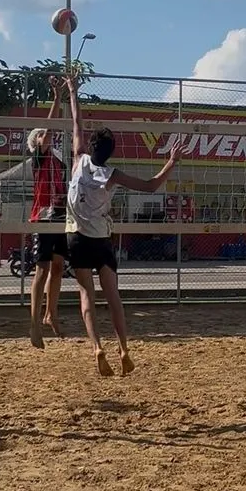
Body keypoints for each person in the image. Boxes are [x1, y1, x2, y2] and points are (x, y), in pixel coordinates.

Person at [64, 74, 181, 377]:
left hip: (76, 238)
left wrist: (73, 91)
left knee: (86, 296)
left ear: (91, 147)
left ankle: (96, 348)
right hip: (101, 240)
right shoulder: (112, 174)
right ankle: (125, 350)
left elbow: (76, 124)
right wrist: (171, 162)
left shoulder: (78, 160)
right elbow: (152, 186)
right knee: (113, 296)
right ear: (111, 153)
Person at [27, 79, 69, 349]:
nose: (48, 138)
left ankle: (50, 313)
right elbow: (50, 128)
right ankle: (33, 325)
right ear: (37, 143)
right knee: (41, 270)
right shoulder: (39, 158)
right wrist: (56, 98)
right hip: (43, 216)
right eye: (43, 136)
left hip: (61, 214)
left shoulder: (58, 161)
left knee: (57, 267)